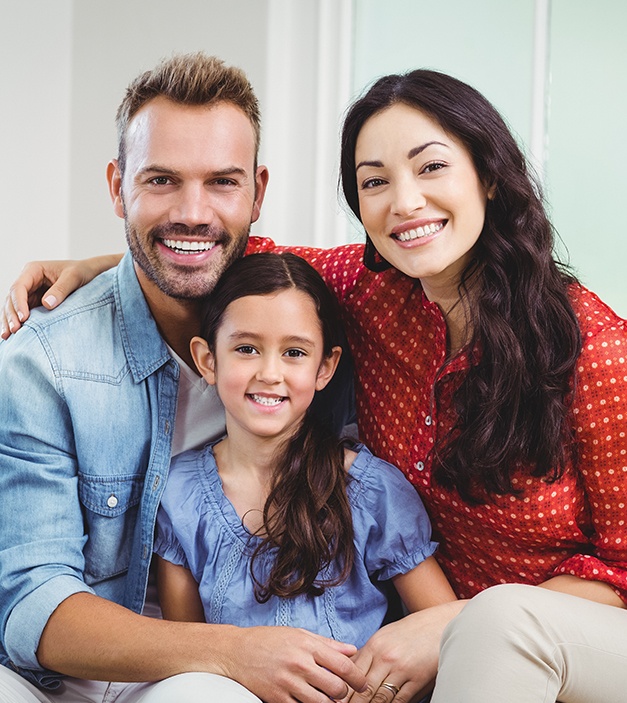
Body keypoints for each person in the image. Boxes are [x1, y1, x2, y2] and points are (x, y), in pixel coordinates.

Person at [10, 68, 627, 702]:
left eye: (431, 167)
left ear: (490, 177)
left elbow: (622, 568)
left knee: (499, 623)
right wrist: (97, 266)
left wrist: (453, 621)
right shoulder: (371, 295)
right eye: (375, 182)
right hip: (439, 637)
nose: (405, 202)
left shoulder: (593, 347)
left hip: (567, 631)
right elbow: (231, 258)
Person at [0, 52, 370, 703]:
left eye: (222, 182)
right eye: (162, 180)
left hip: (193, 681)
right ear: (118, 186)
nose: (193, 211)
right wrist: (234, 648)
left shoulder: (312, 323)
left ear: (257, 190)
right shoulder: (44, 361)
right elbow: (33, 601)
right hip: (54, 677)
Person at [153, 251, 455, 671]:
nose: (270, 373)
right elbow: (188, 656)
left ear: (324, 367)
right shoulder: (178, 494)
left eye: (294, 353)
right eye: (246, 348)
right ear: (208, 360)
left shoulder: (372, 492)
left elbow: (446, 629)